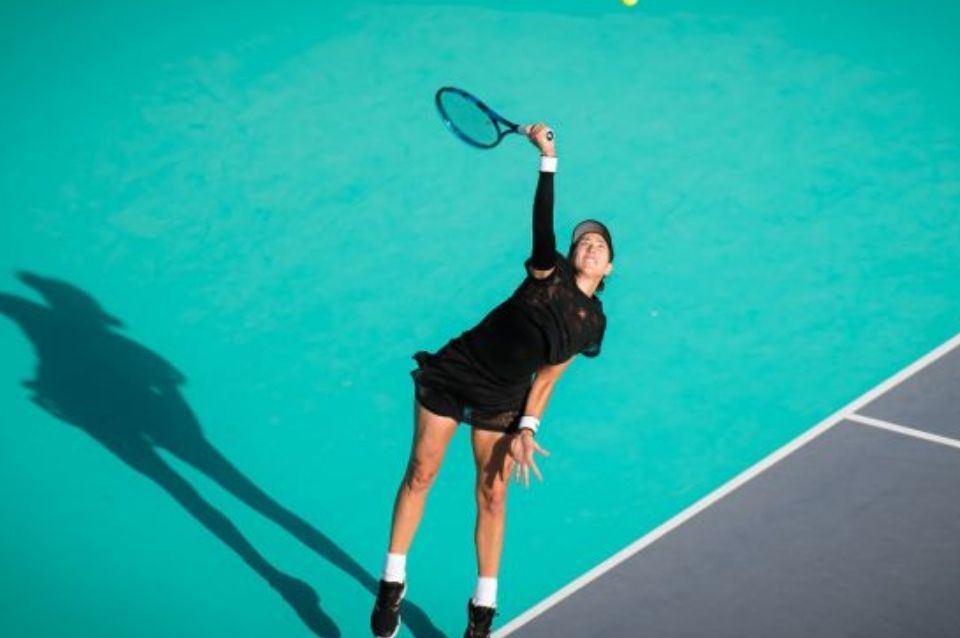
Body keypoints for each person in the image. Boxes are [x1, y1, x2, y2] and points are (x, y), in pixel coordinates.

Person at [370, 123, 614, 638]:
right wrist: (548, 160)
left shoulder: (593, 324)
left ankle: (482, 611)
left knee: (494, 494)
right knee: (421, 473)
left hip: (504, 396)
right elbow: (543, 222)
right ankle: (392, 581)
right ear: (571, 255)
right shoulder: (547, 274)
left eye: (599, 245)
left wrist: (528, 428)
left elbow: (548, 378)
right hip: (458, 370)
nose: (590, 246)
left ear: (609, 267)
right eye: (584, 242)